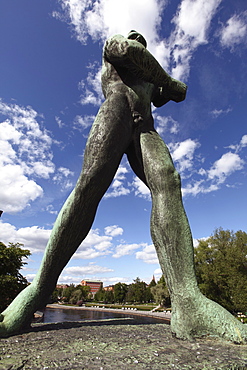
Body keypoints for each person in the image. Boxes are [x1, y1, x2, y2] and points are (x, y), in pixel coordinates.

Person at [1, 31, 246, 343]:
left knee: (168, 181)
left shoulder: (149, 78)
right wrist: (170, 83)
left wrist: (169, 88)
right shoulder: (118, 50)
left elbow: (172, 95)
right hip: (117, 110)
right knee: (89, 186)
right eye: (136, 35)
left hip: (145, 126)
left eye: (143, 38)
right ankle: (37, 292)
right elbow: (128, 52)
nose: (138, 38)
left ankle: (187, 302)